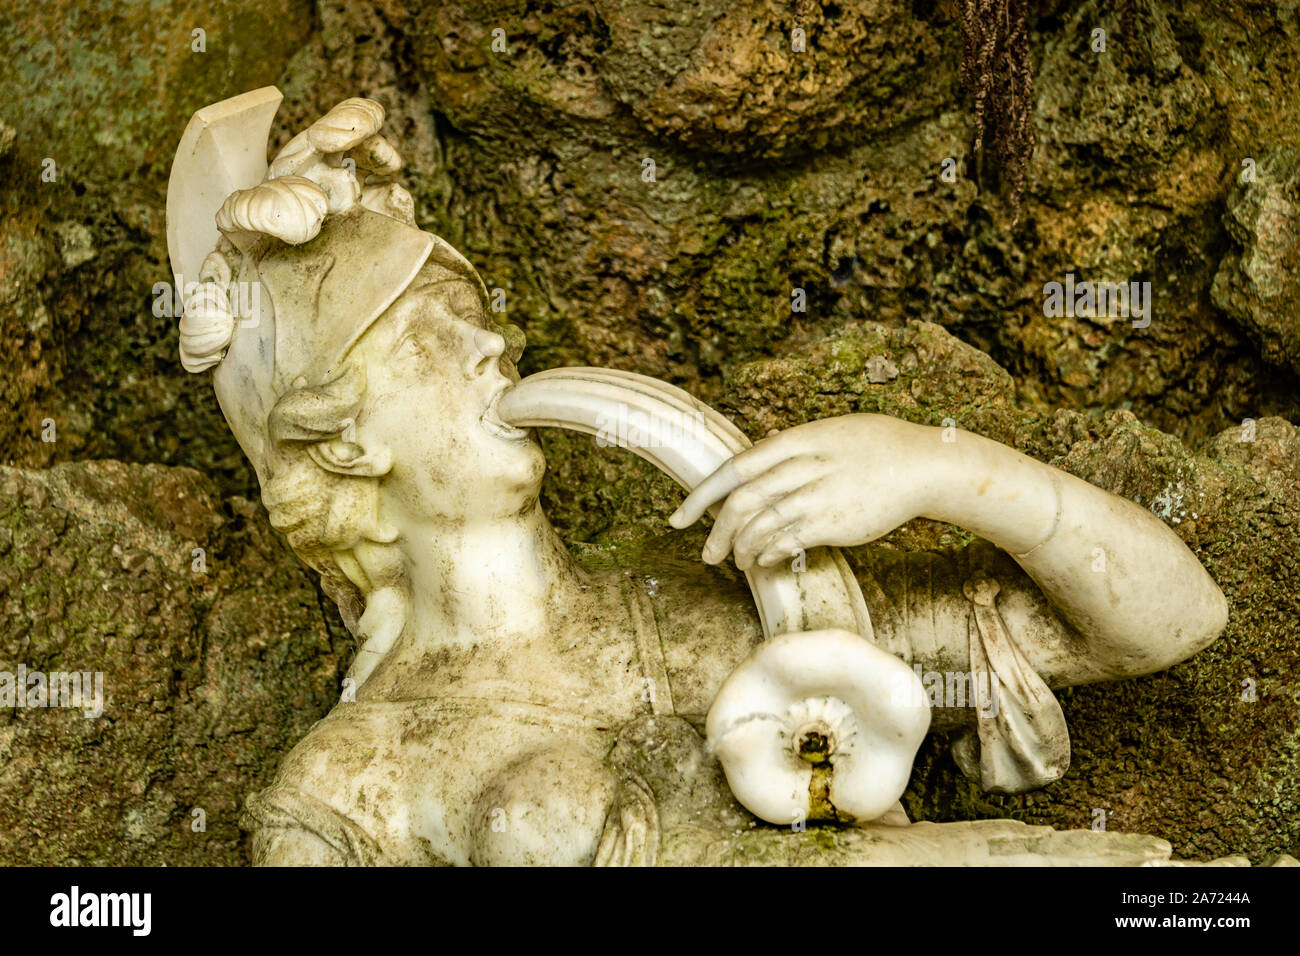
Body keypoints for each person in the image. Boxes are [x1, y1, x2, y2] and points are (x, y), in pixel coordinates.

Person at [175, 98, 1227, 866]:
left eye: (485, 315)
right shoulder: (351, 778)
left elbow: (1169, 621)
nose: (495, 346)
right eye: (441, 336)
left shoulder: (717, 600)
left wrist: (938, 463)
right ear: (348, 442)